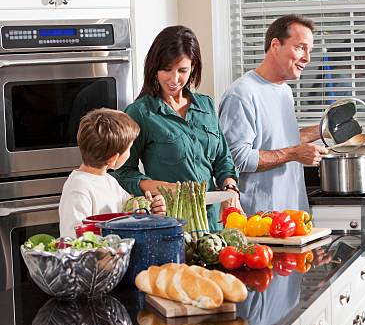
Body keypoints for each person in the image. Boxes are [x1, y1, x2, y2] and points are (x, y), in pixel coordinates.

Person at [113, 26, 240, 232]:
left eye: (182, 70)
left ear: (193, 67)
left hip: (213, 226)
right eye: (167, 70)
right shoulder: (141, 113)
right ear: (155, 68)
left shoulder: (206, 106)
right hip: (171, 224)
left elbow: (223, 160)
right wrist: (165, 189)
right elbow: (122, 172)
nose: (174, 79)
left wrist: (230, 188)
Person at [218, 14, 328, 215]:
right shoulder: (242, 94)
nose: (307, 58)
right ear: (275, 45)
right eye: (300, 47)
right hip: (259, 222)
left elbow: (276, 140)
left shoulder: (284, 91)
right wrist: (295, 153)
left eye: (309, 50)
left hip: (292, 216)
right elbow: (236, 159)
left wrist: (324, 129)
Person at [59, 108, 166, 237]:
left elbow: (130, 213)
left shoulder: (109, 180)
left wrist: (150, 211)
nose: (130, 152)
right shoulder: (78, 188)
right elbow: (73, 239)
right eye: (129, 148)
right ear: (113, 159)